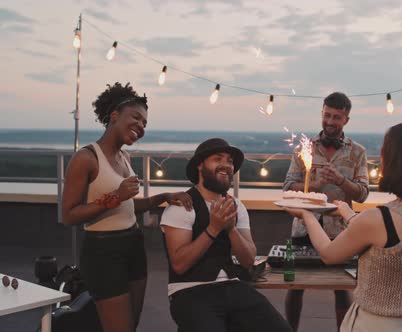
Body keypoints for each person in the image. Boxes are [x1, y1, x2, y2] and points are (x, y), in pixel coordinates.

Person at [284, 123, 402, 331]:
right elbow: (381, 233)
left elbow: (329, 254)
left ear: (394, 163)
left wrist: (307, 215)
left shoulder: (379, 218)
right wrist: (348, 213)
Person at [61, 82, 193, 332]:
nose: (141, 126)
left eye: (145, 123)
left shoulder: (125, 157)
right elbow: (68, 215)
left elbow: (128, 206)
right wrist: (115, 196)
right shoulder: (86, 158)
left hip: (133, 244)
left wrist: (162, 197)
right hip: (102, 251)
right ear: (114, 116)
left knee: (130, 327)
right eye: (136, 117)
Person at [160, 138, 292, 332]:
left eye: (229, 161)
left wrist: (231, 229)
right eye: (217, 159)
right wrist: (213, 228)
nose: (226, 165)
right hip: (190, 291)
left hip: (233, 287)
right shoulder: (182, 206)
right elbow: (180, 264)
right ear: (200, 166)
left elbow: (247, 260)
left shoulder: (237, 206)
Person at [283, 92, 369, 331]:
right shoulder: (304, 148)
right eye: (327, 115)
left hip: (340, 232)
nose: (330, 122)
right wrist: (316, 186)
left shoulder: (357, 152)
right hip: (303, 228)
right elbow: (288, 187)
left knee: (341, 289)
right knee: (295, 286)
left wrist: (341, 181)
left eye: (337, 117)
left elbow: (362, 194)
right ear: (322, 114)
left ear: (346, 120)